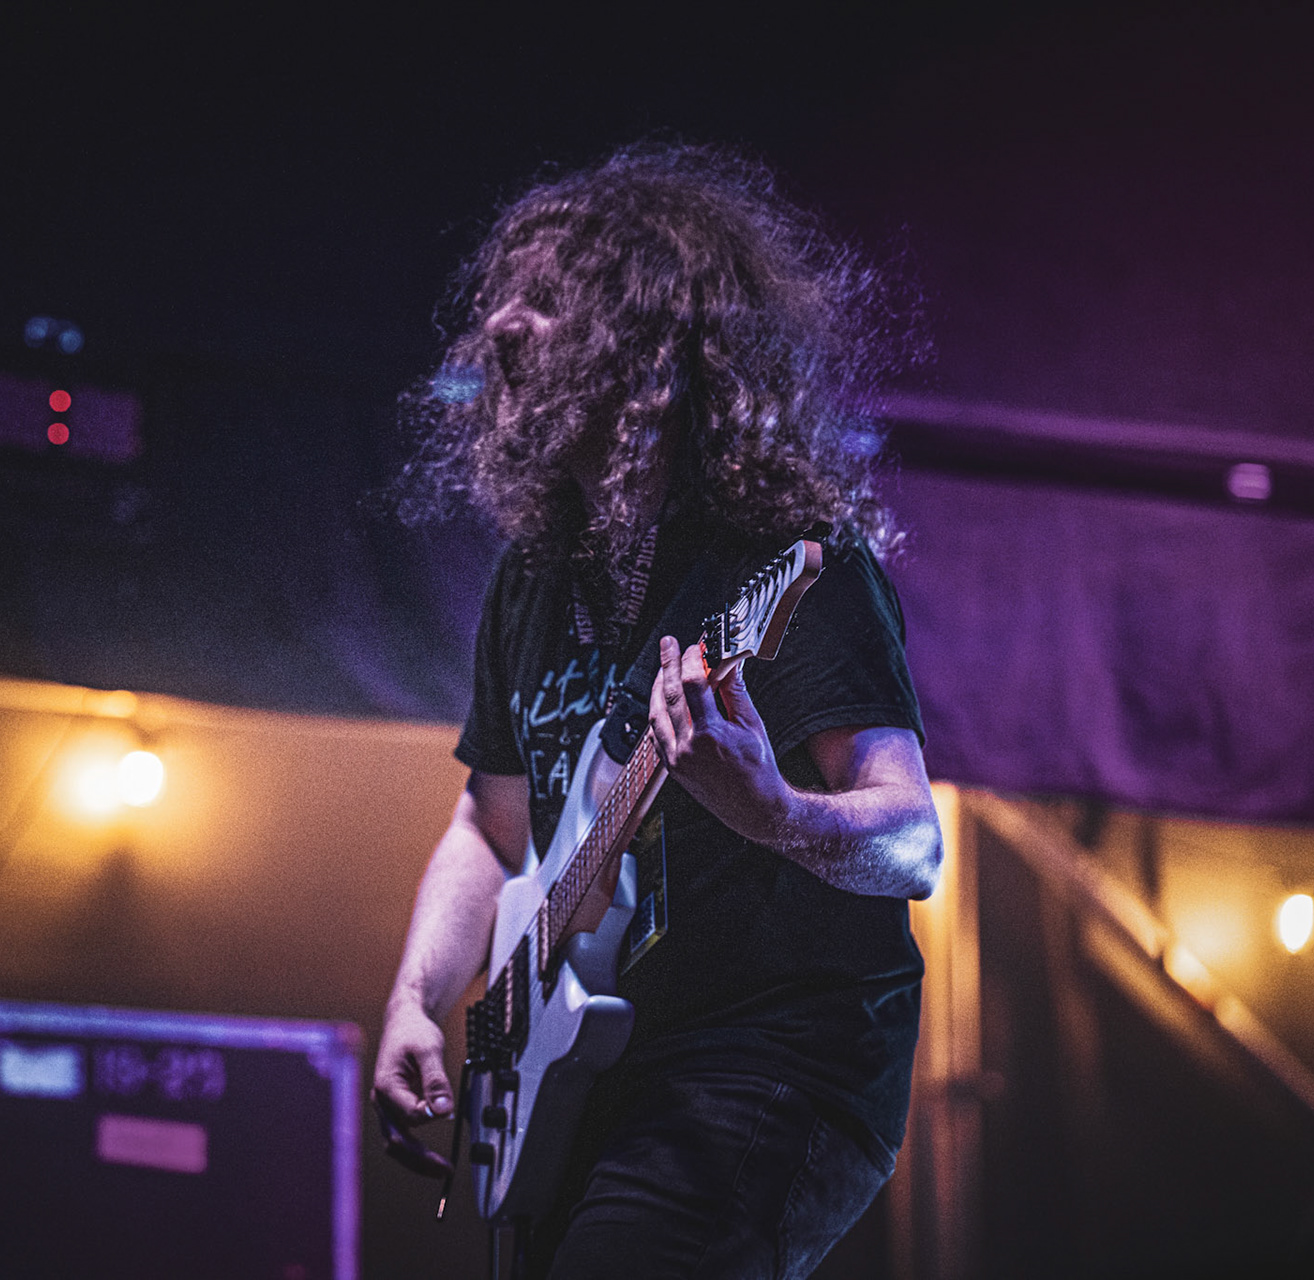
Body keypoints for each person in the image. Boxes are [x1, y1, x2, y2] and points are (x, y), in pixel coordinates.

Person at [373, 142, 943, 1280]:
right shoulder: (534, 580)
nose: (502, 330)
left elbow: (912, 839)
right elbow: (490, 828)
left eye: (550, 304)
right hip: (593, 1078)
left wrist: (772, 807)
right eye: (502, 302)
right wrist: (418, 998)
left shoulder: (787, 563)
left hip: (768, 1066)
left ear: (654, 361)